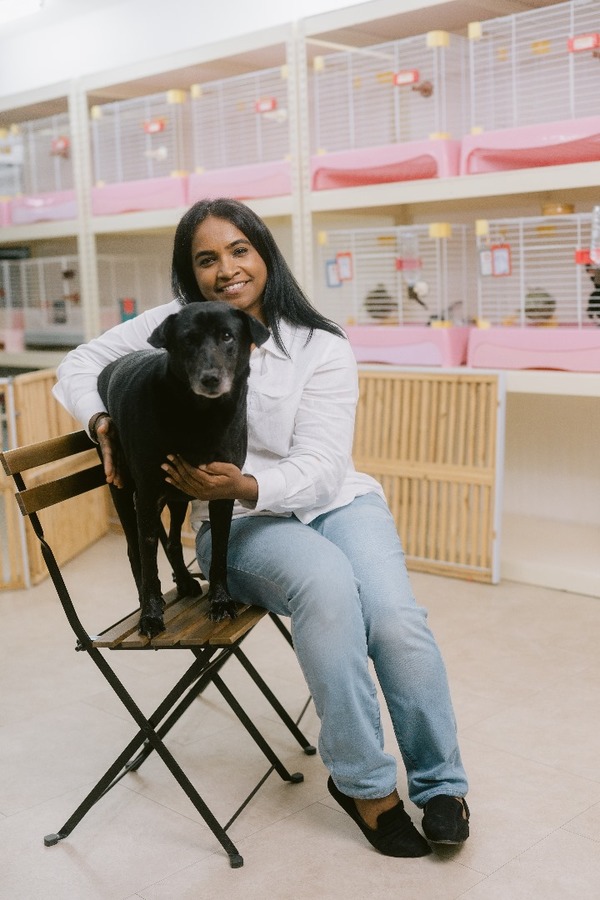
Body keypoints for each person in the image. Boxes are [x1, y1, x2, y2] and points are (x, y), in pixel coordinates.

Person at [53, 198, 470, 858]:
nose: (226, 269)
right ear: (190, 274)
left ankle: (442, 786)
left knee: (395, 616)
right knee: (329, 590)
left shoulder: (320, 344)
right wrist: (102, 423)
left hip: (333, 499)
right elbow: (78, 365)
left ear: (265, 253)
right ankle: (365, 785)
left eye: (239, 250)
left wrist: (246, 480)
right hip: (241, 524)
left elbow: (325, 466)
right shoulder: (173, 324)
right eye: (206, 259)